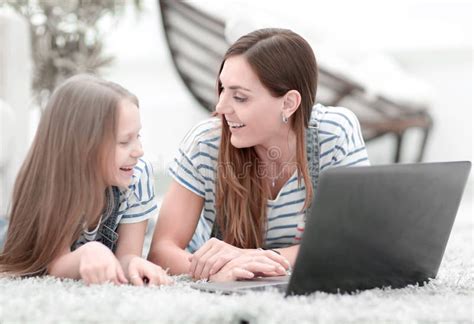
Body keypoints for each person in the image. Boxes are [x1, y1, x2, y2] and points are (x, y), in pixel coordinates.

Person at [148, 28, 370, 282]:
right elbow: (161, 251)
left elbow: (355, 243)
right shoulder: (205, 144)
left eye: (240, 97)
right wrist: (220, 270)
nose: (220, 107)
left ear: (288, 104)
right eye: (222, 89)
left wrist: (255, 260)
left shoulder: (334, 133)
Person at [0, 74, 171, 286]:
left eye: (138, 136)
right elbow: (55, 265)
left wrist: (133, 264)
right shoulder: (55, 182)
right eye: (124, 141)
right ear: (84, 148)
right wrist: (88, 252)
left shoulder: (137, 175)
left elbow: (126, 256)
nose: (139, 151)